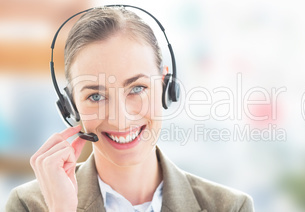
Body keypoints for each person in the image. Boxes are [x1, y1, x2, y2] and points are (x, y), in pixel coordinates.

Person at [5, 6, 254, 212]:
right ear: (71, 106)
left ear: (166, 87)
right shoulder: (28, 205)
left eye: (136, 89)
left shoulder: (230, 207)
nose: (121, 119)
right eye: (95, 95)